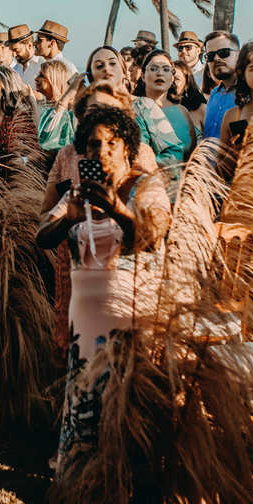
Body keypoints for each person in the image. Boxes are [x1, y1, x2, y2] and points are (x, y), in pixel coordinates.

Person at [35, 105, 171, 474]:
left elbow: (153, 236)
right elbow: (42, 237)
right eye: (94, 144)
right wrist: (67, 220)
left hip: (132, 313)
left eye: (112, 143)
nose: (103, 151)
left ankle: (124, 475)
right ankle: (83, 476)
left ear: (128, 147)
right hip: (85, 317)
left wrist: (117, 210)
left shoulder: (145, 186)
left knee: (124, 397)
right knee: (86, 393)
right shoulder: (79, 193)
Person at [135, 48, 196, 164]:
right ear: (143, 76)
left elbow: (191, 156)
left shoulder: (182, 111)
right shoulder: (135, 109)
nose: (160, 73)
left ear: (172, 77)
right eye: (153, 69)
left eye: (166, 69)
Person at [201, 30, 241, 138]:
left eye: (224, 53)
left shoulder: (249, 93)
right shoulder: (214, 94)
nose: (216, 58)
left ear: (238, 55)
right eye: (210, 56)